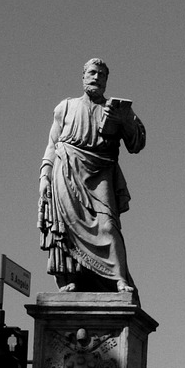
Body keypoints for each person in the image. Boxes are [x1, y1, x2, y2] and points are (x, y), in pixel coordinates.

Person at [38, 58, 144, 294]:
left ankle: (118, 278)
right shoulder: (65, 107)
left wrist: (123, 121)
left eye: (102, 75)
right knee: (66, 224)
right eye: (93, 73)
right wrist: (45, 173)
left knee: (108, 225)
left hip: (101, 171)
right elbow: (52, 143)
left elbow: (137, 142)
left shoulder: (116, 108)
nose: (97, 78)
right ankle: (70, 276)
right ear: (83, 76)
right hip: (66, 170)